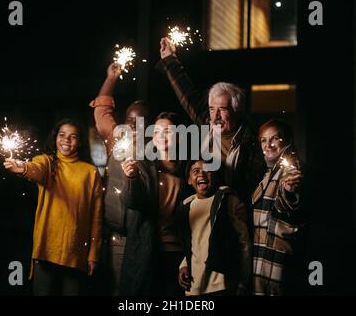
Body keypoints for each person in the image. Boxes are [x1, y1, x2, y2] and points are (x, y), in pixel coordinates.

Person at [156, 37, 263, 208]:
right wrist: (170, 59)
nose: (215, 116)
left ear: (236, 110)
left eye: (222, 109)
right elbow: (187, 94)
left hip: (238, 213)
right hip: (206, 208)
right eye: (212, 109)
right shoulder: (207, 124)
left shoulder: (252, 142)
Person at [3, 118, 103, 295]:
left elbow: (96, 217)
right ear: (55, 137)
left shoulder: (90, 172)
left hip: (76, 252)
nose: (66, 140)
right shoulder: (47, 162)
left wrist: (93, 254)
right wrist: (24, 167)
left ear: (80, 142)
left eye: (73, 137)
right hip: (46, 249)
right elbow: (36, 168)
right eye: (62, 135)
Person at [90, 62, 152, 295]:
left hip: (143, 239)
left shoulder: (156, 150)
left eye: (141, 122)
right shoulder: (117, 140)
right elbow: (101, 110)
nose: (135, 127)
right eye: (130, 121)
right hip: (116, 237)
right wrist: (111, 78)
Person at [120, 111, 186, 296]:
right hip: (147, 250)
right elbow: (130, 202)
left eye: (168, 131)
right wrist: (131, 178)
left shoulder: (189, 169)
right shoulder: (143, 166)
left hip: (179, 253)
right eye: (157, 131)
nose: (161, 136)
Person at [175, 160, 251, 296]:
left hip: (220, 284)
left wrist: (244, 281)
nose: (202, 174)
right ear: (188, 180)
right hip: (194, 284)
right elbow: (192, 243)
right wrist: (184, 265)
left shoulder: (226, 199)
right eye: (196, 171)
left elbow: (243, 242)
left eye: (207, 170)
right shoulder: (186, 207)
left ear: (215, 176)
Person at [251, 119, 305, 295]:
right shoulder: (268, 172)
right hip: (262, 256)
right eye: (263, 140)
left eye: (275, 138)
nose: (268, 144)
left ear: (287, 140)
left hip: (277, 261)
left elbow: (289, 203)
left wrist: (289, 191)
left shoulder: (291, 170)